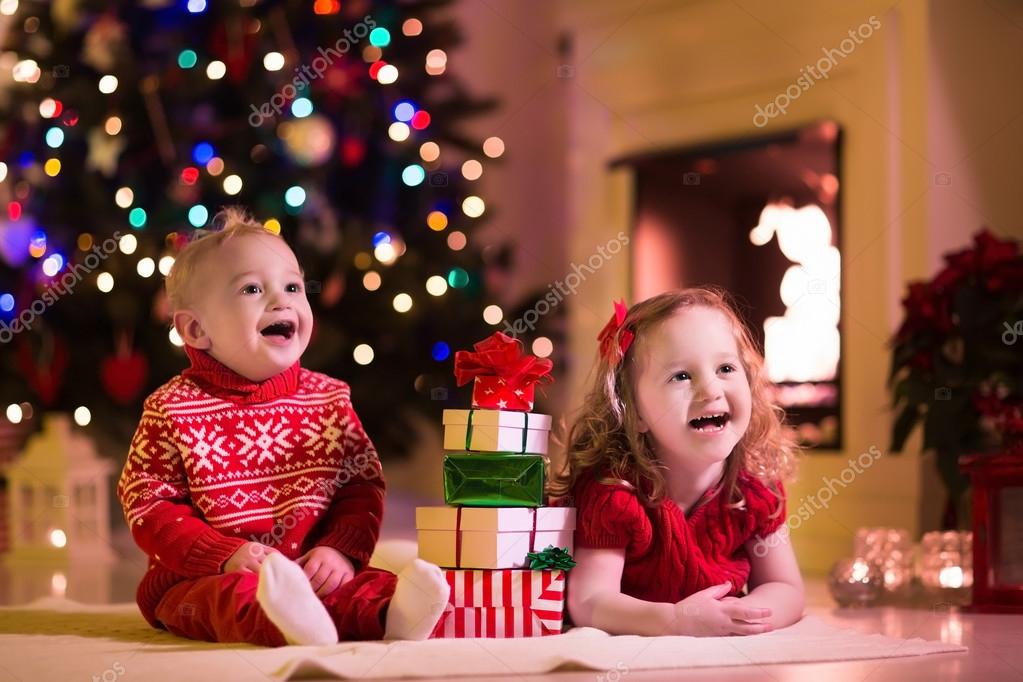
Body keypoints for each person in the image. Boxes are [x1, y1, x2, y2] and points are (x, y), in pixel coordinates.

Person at [117, 208, 449, 646]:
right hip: (203, 577)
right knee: (225, 601)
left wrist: (339, 551)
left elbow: (360, 488)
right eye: (252, 288)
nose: (282, 300)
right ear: (196, 329)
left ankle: (396, 616)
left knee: (367, 586)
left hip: (313, 566)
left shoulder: (329, 400)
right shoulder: (171, 409)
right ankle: (287, 622)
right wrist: (225, 555)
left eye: (293, 286)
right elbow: (149, 507)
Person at [551, 288, 803, 636]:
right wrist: (674, 620)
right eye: (681, 376)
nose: (711, 390)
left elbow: (786, 587)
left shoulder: (755, 486)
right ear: (633, 413)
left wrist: (744, 614)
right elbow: (590, 600)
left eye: (725, 368)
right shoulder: (615, 491)